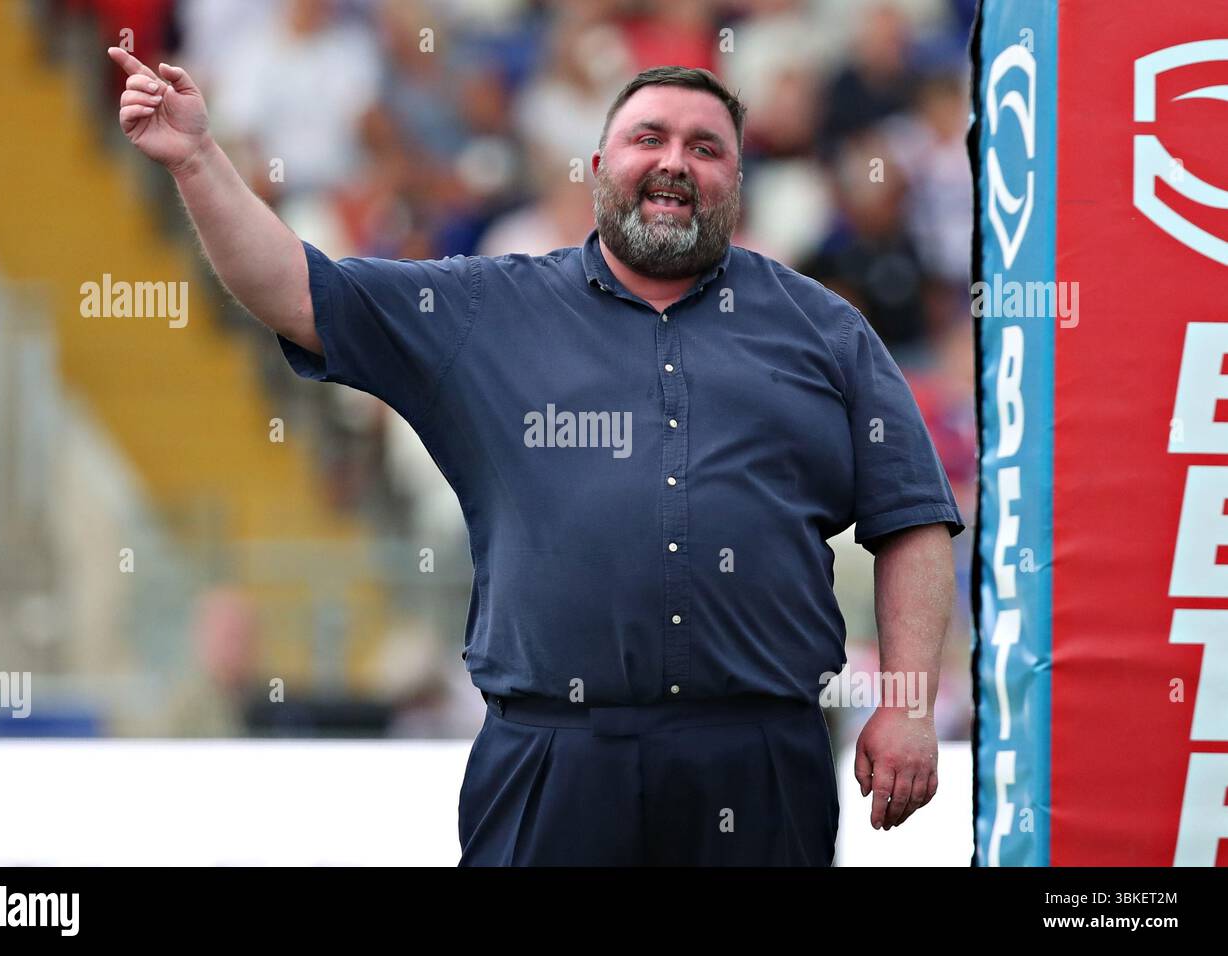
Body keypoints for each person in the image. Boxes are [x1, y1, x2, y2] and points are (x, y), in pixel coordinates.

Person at [108, 48, 965, 866]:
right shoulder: (486, 309)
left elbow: (912, 518)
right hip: (552, 764)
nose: (676, 163)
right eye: (650, 138)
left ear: (735, 184)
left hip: (758, 763)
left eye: (706, 148)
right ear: (596, 167)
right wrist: (198, 159)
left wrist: (906, 704)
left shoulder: (824, 330)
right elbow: (296, 292)